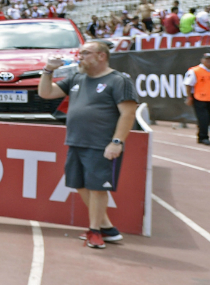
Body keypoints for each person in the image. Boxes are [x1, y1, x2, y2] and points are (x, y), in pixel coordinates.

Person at [38, 40, 138, 249]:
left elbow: (128, 114)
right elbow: (46, 93)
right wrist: (48, 70)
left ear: (101, 56)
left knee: (97, 189)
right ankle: (107, 228)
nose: (79, 56)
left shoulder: (119, 80)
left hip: (101, 144)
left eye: (85, 53)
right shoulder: (76, 77)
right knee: (79, 184)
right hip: (76, 141)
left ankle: (95, 232)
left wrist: (117, 142)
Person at [184, 52, 210, 145]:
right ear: (202, 60)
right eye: (207, 59)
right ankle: (204, 137)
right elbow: (188, 85)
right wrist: (189, 97)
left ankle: (201, 135)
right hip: (199, 98)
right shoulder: (195, 71)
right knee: (203, 118)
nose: (209, 61)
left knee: (208, 118)